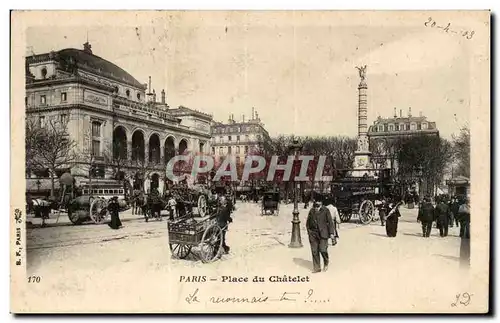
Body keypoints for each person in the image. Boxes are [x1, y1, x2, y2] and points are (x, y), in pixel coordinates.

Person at [306, 195, 335, 273]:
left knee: (322, 249)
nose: (316, 203)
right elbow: (308, 223)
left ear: (321, 202)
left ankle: (326, 261)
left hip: (323, 234)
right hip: (313, 234)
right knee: (314, 251)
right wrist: (309, 233)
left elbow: (330, 222)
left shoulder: (326, 210)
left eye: (318, 201)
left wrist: (332, 233)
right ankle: (317, 268)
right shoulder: (311, 210)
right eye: (315, 201)